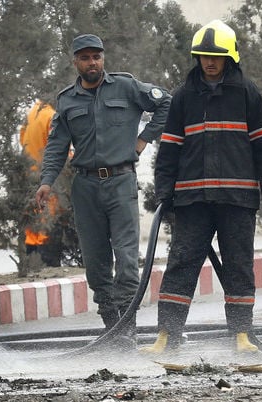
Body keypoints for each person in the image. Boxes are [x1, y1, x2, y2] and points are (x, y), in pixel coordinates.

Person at [140, 20, 262, 354]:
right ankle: (167, 335)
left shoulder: (247, 92)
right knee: (181, 263)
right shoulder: (184, 96)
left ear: (229, 56)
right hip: (193, 200)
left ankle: (241, 335)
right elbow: (170, 148)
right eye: (204, 55)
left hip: (238, 198)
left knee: (238, 265)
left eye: (215, 56)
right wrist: (164, 190)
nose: (209, 61)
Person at [35, 34, 171, 336]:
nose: (92, 62)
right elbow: (57, 145)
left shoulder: (126, 87)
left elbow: (166, 104)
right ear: (75, 62)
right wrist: (47, 182)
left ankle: (128, 326)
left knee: (125, 260)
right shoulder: (68, 99)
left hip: (121, 183)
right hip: (85, 188)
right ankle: (113, 328)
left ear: (103, 59)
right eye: (85, 58)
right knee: (96, 265)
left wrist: (143, 140)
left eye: (96, 56)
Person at [19, 100, 67, 267]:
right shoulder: (52, 116)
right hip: (48, 177)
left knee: (32, 224)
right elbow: (59, 148)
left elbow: (22, 139)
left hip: (29, 175)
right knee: (49, 221)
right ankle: (49, 264)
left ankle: (32, 263)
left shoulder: (32, 113)